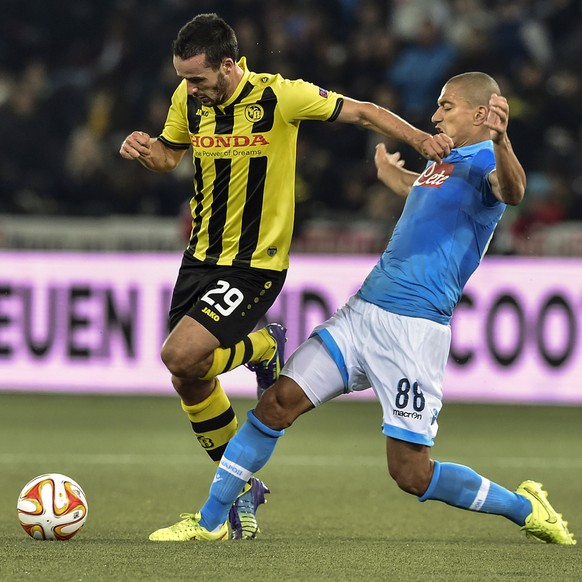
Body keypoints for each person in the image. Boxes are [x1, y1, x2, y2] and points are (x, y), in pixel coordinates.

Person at [148, 71, 577, 545]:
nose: (435, 115)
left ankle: (523, 506)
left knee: (411, 473)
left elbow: (511, 193)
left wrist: (504, 140)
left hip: (414, 331)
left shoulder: (488, 160)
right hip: (362, 314)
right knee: (276, 405)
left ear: (481, 113)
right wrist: (396, 176)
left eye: (446, 106)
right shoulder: (448, 162)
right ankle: (209, 522)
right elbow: (434, 199)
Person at [119, 12, 452, 540]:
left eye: (198, 78)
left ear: (228, 66)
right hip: (199, 258)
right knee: (190, 376)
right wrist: (145, 151)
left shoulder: (281, 97)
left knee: (177, 354)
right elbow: (168, 155)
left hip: (254, 265)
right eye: (183, 78)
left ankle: (261, 349)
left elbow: (362, 113)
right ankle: (243, 484)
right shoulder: (188, 101)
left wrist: (418, 138)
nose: (189, 89)